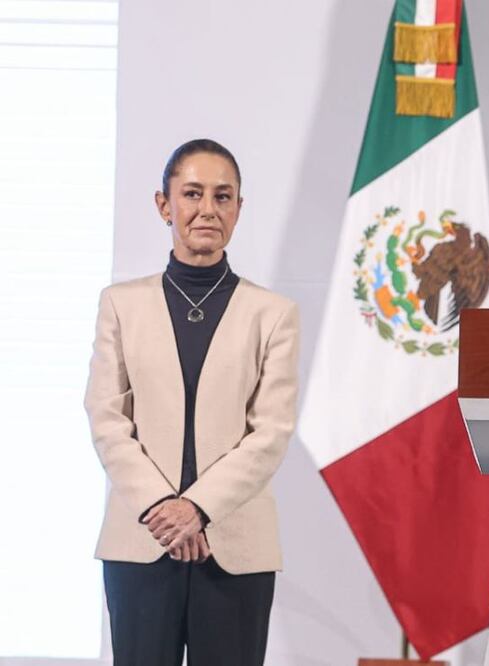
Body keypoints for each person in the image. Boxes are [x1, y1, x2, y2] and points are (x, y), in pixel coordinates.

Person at [84, 139, 299, 664]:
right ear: (165, 205)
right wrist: (163, 509)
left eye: (223, 196)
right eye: (192, 193)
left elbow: (271, 432)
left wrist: (198, 509)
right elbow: (107, 418)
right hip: (142, 541)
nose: (208, 209)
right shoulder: (120, 304)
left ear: (238, 209)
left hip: (235, 546)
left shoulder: (273, 313)